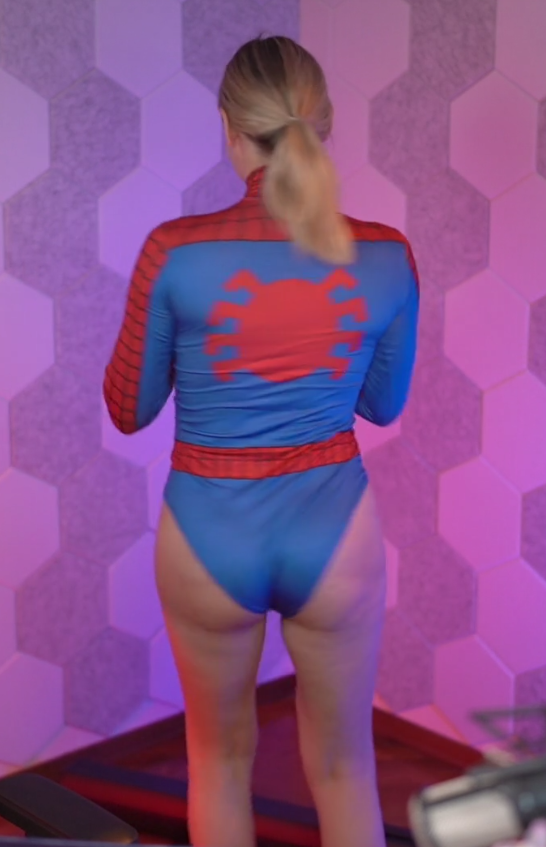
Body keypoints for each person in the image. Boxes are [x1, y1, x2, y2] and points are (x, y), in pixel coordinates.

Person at [104, 34, 419, 847]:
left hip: (208, 531)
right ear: (325, 121)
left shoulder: (174, 251)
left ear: (229, 126)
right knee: (346, 769)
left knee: (217, 762)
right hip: (334, 531)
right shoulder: (387, 254)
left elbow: (128, 410)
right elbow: (383, 404)